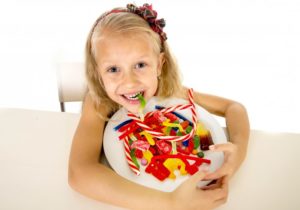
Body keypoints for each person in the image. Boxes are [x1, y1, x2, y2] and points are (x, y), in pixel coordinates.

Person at [68, 3, 250, 210]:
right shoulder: (99, 102)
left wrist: (237, 156)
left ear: (159, 64)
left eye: (140, 65)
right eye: (113, 69)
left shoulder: (167, 90)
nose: (129, 82)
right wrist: (171, 202)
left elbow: (234, 108)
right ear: (97, 72)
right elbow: (80, 173)